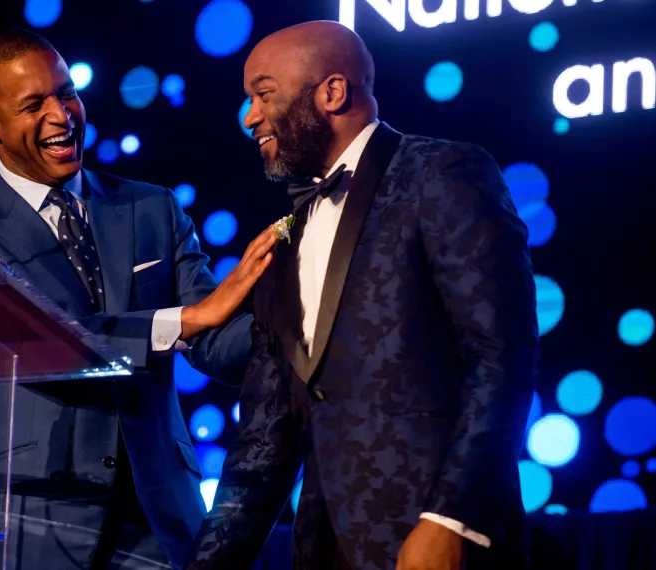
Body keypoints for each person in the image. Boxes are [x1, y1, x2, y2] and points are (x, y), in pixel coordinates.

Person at [0, 29, 276, 570]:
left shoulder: (152, 208)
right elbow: (32, 341)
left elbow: (215, 342)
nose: (62, 114)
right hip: (25, 519)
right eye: (34, 105)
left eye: (67, 92)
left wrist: (293, 308)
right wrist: (185, 319)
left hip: (157, 521)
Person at [183, 21, 539, 570]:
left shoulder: (442, 172)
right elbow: (263, 438)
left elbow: (501, 358)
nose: (250, 116)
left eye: (263, 93)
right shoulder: (282, 238)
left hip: (439, 542)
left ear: (332, 91)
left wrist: (450, 521)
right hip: (325, 548)